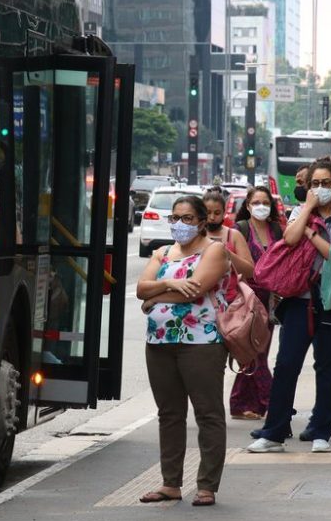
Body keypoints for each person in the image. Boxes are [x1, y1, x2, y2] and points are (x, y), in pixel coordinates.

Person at [247, 157, 331, 454]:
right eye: (314, 184)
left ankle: (320, 431)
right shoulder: (299, 211)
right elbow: (289, 237)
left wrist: (312, 233)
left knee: (328, 366)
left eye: (325, 183)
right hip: (298, 301)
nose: (320, 189)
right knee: (285, 365)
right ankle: (274, 431)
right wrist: (308, 210)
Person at [136, 195, 229, 507]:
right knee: (170, 414)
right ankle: (170, 484)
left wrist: (155, 297)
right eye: (175, 218)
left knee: (208, 413)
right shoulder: (162, 252)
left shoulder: (214, 249)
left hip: (201, 343)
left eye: (188, 218)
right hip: (160, 342)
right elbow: (141, 288)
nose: (179, 224)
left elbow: (198, 289)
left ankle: (206, 486)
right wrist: (174, 286)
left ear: (202, 222)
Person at [228, 185, 282, 420]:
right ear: (248, 206)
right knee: (253, 352)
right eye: (256, 202)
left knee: (259, 352)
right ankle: (272, 400)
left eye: (265, 202)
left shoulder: (277, 230)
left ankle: (245, 404)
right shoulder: (240, 229)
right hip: (247, 298)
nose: (261, 206)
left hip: (270, 299)